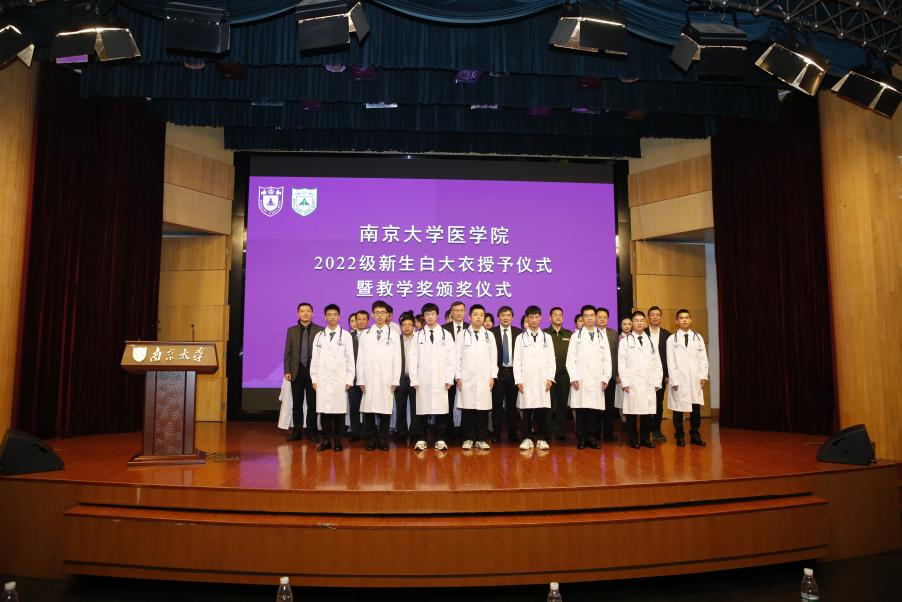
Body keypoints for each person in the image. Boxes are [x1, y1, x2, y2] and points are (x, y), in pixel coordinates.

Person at [410, 303, 456, 451]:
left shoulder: (446, 334)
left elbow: (451, 358)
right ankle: (421, 439)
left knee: (441, 411)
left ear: (437, 315)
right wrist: (414, 378)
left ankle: (440, 439)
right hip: (422, 379)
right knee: (422, 411)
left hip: (441, 379)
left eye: (432, 314)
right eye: (427, 314)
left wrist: (449, 378)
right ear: (423, 317)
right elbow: (413, 358)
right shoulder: (417, 336)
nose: (430, 317)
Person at [357, 300, 402, 451]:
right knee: (369, 411)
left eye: (383, 313)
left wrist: (395, 380)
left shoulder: (394, 335)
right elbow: (360, 359)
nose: (380, 315)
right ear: (372, 314)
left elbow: (398, 359)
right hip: (368, 378)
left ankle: (383, 440)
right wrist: (361, 379)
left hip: (386, 378)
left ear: (387, 315)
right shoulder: (365, 334)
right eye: (377, 312)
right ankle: (370, 440)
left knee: (385, 411)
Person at [565, 305, 612, 449]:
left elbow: (607, 359)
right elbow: (570, 359)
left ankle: (591, 438)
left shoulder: (602, 335)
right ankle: (581, 438)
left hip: (597, 379)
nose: (589, 318)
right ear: (582, 318)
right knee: (581, 410)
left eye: (592, 315)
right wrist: (573, 377)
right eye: (586, 316)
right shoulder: (576, 336)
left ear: (595, 317)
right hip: (581, 379)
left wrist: (606, 377)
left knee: (594, 411)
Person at [310, 304, 355, 452]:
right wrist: (314, 378)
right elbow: (315, 359)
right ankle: (325, 440)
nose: (332, 317)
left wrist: (349, 379)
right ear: (325, 317)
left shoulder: (346, 336)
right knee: (324, 413)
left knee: (339, 413)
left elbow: (350, 359)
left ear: (339, 317)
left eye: (335, 314)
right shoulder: (319, 336)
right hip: (323, 380)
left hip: (339, 380)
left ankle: (337, 441)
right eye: (329, 315)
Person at [455, 304, 497, 450]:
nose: (479, 317)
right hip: (466, 378)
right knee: (467, 410)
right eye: (475, 314)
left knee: (482, 410)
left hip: (485, 378)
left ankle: (481, 439)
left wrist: (493, 376)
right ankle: (467, 438)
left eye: (481, 315)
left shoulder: (489, 335)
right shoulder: (462, 335)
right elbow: (457, 357)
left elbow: (493, 357)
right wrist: (458, 376)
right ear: (470, 317)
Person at [514, 305, 556, 450]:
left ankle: (542, 438)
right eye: (531, 317)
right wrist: (518, 380)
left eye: (537, 317)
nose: (534, 320)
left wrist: (550, 378)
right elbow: (517, 361)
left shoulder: (547, 338)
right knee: (526, 410)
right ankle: (527, 438)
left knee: (542, 410)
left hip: (543, 380)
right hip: (526, 380)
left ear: (541, 318)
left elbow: (551, 360)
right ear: (527, 318)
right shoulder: (520, 338)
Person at [619, 310, 663, 449]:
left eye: (641, 321)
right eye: (636, 321)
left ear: (645, 322)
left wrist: (657, 381)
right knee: (632, 412)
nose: (639, 323)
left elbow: (657, 362)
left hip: (648, 382)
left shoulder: (651, 341)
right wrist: (625, 381)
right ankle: (633, 439)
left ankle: (645, 438)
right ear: (632, 323)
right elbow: (621, 363)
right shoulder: (625, 341)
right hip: (632, 382)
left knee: (647, 412)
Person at [666, 309, 709, 447]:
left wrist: (703, 375)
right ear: (676, 321)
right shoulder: (671, 339)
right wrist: (674, 379)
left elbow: (703, 359)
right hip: (679, 379)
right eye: (681, 318)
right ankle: (679, 436)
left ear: (690, 320)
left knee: (695, 409)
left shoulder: (698, 337)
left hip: (695, 379)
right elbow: (670, 361)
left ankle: (695, 435)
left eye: (687, 317)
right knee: (678, 409)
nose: (684, 320)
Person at [283, 302, 323, 442]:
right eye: (302, 311)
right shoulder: (291, 330)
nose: (305, 313)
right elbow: (287, 352)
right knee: (297, 403)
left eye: (308, 311)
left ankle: (312, 432)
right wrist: (287, 370)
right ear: (298, 313)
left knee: (312, 404)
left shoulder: (320, 330)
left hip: (314, 372)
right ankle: (297, 431)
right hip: (297, 371)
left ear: (312, 313)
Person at [490, 305, 522, 443]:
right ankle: (496, 434)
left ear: (512, 317)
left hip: (513, 373)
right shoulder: (491, 333)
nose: (506, 317)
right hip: (498, 373)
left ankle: (513, 434)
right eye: (503, 315)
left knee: (511, 406)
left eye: (508, 315)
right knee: (496, 406)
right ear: (498, 317)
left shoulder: (519, 333)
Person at [544, 306, 572, 441]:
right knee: (547, 405)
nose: (558, 317)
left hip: (564, 375)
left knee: (562, 405)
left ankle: (560, 432)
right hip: (547, 375)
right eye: (555, 315)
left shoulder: (569, 334)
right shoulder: (543, 334)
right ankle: (547, 432)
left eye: (560, 315)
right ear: (550, 318)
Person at [443, 301, 468, 439]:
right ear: (451, 312)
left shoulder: (471, 328)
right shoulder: (443, 330)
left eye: (461, 310)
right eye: (455, 310)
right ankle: (448, 433)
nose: (458, 313)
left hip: (466, 374)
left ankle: (465, 433)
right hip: (447, 374)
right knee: (448, 403)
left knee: (466, 404)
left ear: (465, 312)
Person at [646, 306, 671, 442]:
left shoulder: (668, 335)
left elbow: (670, 357)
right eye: (652, 315)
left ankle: (656, 429)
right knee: (645, 402)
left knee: (658, 403)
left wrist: (667, 374)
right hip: (644, 375)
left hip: (660, 375)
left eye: (657, 315)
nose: (655, 317)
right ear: (648, 317)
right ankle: (645, 430)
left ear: (660, 318)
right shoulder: (642, 333)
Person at [596, 307, 620, 442]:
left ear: (608, 319)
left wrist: (616, 373)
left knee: (609, 406)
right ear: (595, 318)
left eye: (604, 317)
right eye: (599, 317)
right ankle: (595, 433)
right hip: (594, 376)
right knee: (595, 406)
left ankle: (608, 433)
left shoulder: (613, 334)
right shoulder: (590, 333)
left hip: (610, 376)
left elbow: (617, 355)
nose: (602, 319)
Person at [393, 312, 418, 443]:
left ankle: (414, 432)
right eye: (404, 325)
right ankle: (401, 431)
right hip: (401, 378)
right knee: (400, 406)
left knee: (416, 407)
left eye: (409, 325)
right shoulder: (396, 340)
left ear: (414, 326)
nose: (407, 327)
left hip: (415, 379)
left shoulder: (419, 339)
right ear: (401, 326)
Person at [347, 310, 369, 441]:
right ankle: (355, 431)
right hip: (353, 378)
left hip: (368, 379)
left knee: (367, 407)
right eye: (358, 319)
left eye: (363, 319)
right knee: (354, 406)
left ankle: (367, 431)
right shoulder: (348, 337)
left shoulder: (372, 335)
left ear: (368, 321)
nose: (360, 321)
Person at [614, 317, 632, 415]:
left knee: (632, 399)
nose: (627, 326)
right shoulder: (617, 338)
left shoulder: (635, 338)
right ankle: (624, 421)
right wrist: (617, 374)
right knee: (621, 400)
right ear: (621, 326)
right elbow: (615, 357)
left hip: (633, 373)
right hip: (621, 373)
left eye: (629, 324)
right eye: (624, 324)